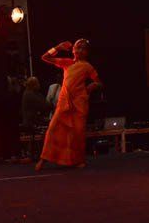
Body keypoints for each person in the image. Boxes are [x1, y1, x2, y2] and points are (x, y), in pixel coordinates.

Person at [36, 39, 102, 172]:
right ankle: (43, 159)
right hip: (64, 102)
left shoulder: (87, 66)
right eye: (77, 48)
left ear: (87, 52)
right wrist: (57, 47)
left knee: (77, 133)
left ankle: (78, 160)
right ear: (73, 50)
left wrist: (86, 90)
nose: (79, 51)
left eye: (83, 49)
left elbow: (98, 83)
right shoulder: (67, 63)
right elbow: (45, 57)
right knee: (53, 129)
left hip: (79, 104)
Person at [21, 77, 51, 163]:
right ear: (34, 85)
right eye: (37, 83)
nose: (39, 85)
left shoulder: (29, 93)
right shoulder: (30, 95)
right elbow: (45, 105)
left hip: (31, 119)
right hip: (32, 121)